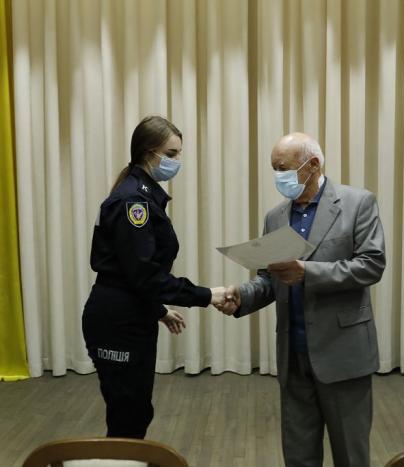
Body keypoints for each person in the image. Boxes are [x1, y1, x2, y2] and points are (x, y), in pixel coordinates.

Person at [218, 132, 385, 467]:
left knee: (351, 456)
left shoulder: (358, 203)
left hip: (343, 353)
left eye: (283, 169)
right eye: (274, 169)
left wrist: (308, 272)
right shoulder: (276, 217)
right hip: (293, 355)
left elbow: (371, 265)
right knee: (298, 456)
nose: (278, 177)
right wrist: (242, 296)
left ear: (313, 164)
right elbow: (270, 279)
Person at [82, 115, 229, 439]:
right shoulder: (133, 201)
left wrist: (158, 311)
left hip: (131, 315)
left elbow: (133, 273)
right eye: (172, 154)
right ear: (149, 153)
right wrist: (206, 295)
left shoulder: (142, 195)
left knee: (135, 411)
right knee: (127, 415)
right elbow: (145, 274)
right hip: (117, 322)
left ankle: (126, 460)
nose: (177, 161)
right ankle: (121, 461)